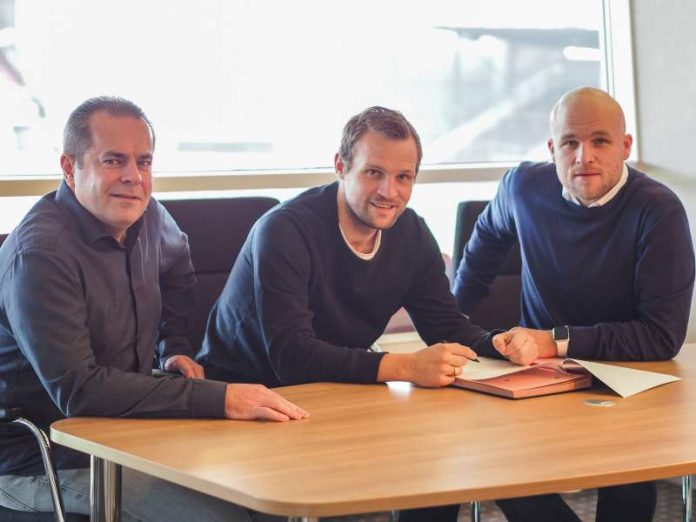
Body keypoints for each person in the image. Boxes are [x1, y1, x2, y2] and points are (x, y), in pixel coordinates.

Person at [198, 106, 538, 522]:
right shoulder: (285, 231)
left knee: (438, 465)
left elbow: (446, 326)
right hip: (248, 404)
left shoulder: (411, 232)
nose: (389, 192)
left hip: (335, 395)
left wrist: (497, 344)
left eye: (403, 177)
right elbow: (291, 356)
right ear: (341, 166)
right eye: (373, 172)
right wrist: (406, 367)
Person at [0, 97, 307, 522]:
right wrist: (221, 399)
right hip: (45, 456)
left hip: (130, 434)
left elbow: (178, 266)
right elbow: (81, 391)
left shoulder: (146, 216)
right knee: (223, 518)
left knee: (271, 487)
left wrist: (173, 344)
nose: (133, 177)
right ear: (70, 169)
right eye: (113, 161)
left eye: (143, 162)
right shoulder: (40, 255)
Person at [453, 87, 695, 522]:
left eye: (600, 141)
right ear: (552, 149)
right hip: (536, 376)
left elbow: (661, 336)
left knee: (629, 483)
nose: (584, 156)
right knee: (500, 468)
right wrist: (449, 326)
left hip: (629, 376)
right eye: (570, 143)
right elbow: (482, 248)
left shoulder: (658, 211)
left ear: (625, 147)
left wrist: (553, 341)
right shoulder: (523, 188)